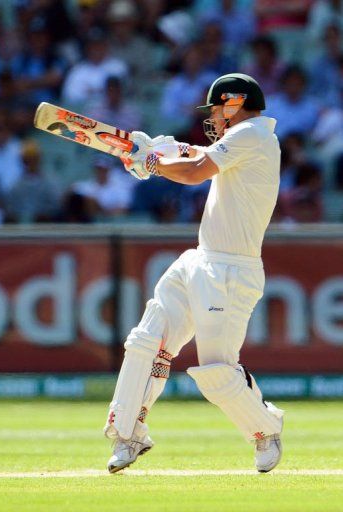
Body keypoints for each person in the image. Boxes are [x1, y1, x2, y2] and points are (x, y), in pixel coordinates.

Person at [104, 73, 284, 474]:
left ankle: (266, 428)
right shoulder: (243, 139)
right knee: (145, 341)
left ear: (234, 104)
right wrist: (167, 149)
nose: (214, 117)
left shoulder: (253, 135)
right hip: (199, 259)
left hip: (231, 270)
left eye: (217, 109)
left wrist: (152, 161)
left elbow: (194, 171)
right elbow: (200, 155)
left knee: (217, 372)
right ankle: (129, 432)